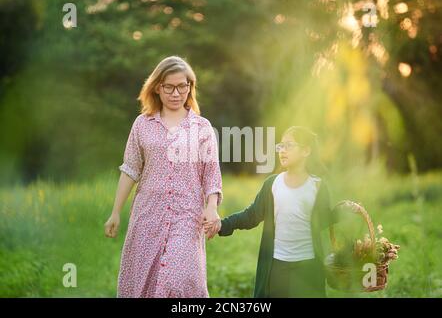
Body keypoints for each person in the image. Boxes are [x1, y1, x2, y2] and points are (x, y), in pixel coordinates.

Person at [104, 56, 223, 298]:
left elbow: (211, 173)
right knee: (144, 282)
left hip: (187, 217)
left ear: (190, 87)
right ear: (157, 87)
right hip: (148, 216)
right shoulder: (142, 124)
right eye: (169, 86)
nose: (176, 93)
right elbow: (131, 169)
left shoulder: (202, 127)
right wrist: (116, 211)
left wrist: (212, 207)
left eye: (182, 86)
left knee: (178, 279)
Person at [204, 126, 337, 297]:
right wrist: (223, 224)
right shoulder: (273, 183)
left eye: (289, 146)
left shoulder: (318, 186)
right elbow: (252, 215)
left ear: (305, 151)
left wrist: (343, 214)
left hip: (308, 268)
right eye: (280, 146)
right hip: (276, 267)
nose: (282, 151)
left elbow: (324, 221)